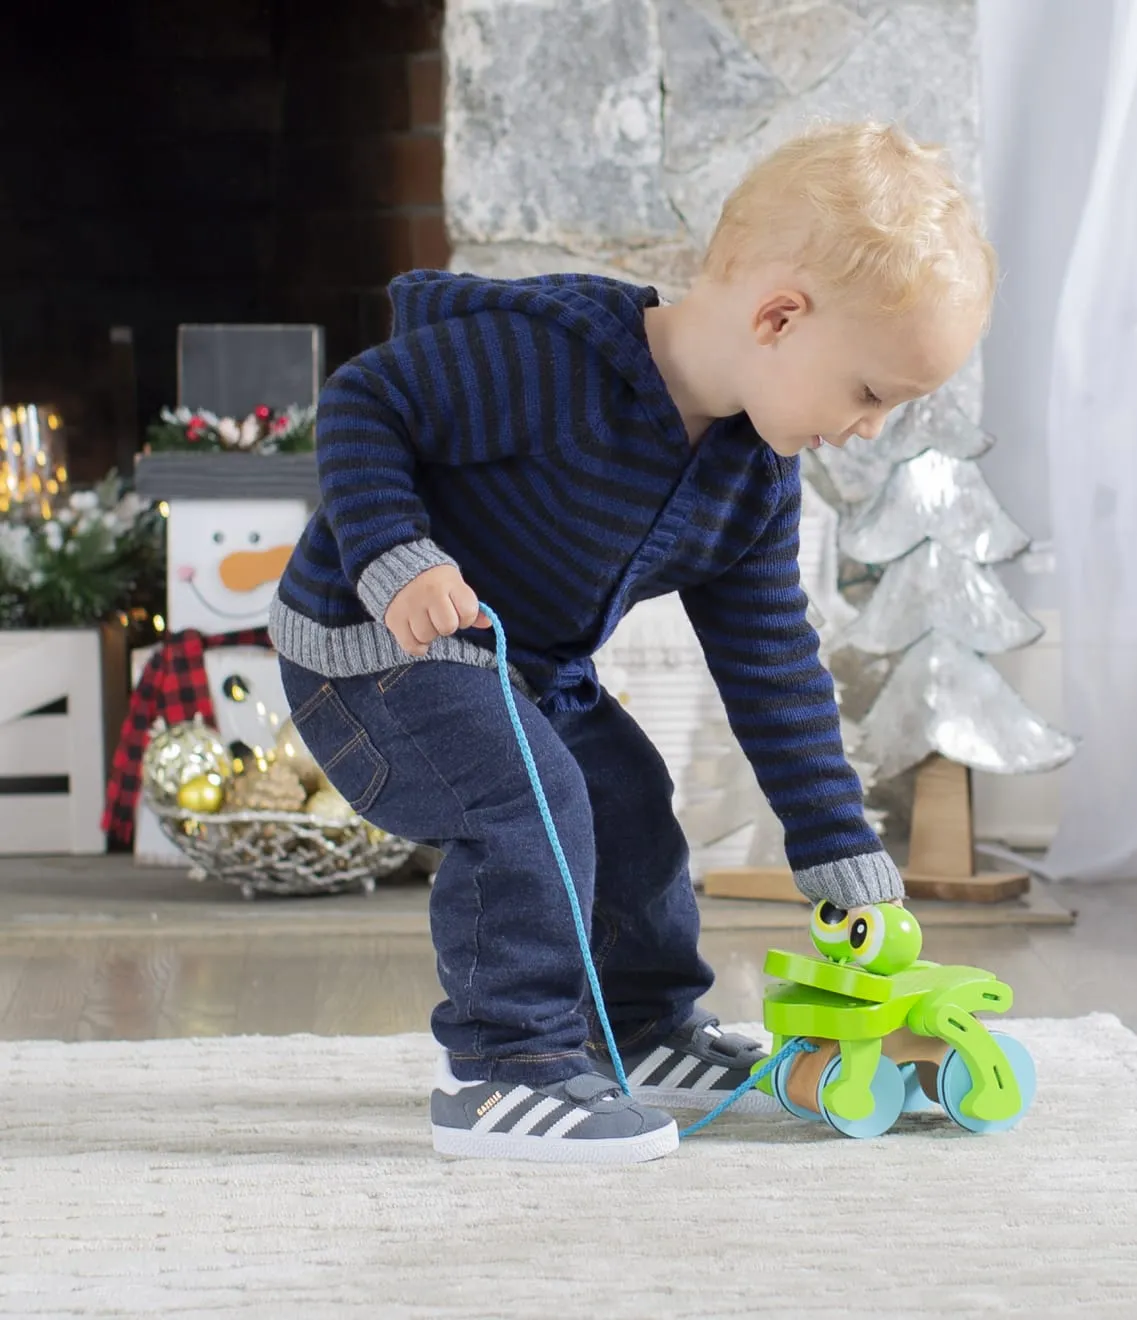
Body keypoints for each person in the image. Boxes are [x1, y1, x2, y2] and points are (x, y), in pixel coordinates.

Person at [272, 121, 994, 1163]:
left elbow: (771, 667)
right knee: (533, 800)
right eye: (871, 394)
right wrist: (398, 556)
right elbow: (364, 401)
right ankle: (504, 1070)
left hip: (524, 665)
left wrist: (838, 845)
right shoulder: (549, 362)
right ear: (780, 316)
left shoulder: (751, 475)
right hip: (369, 649)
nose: (870, 428)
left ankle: (645, 1028)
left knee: (629, 803)